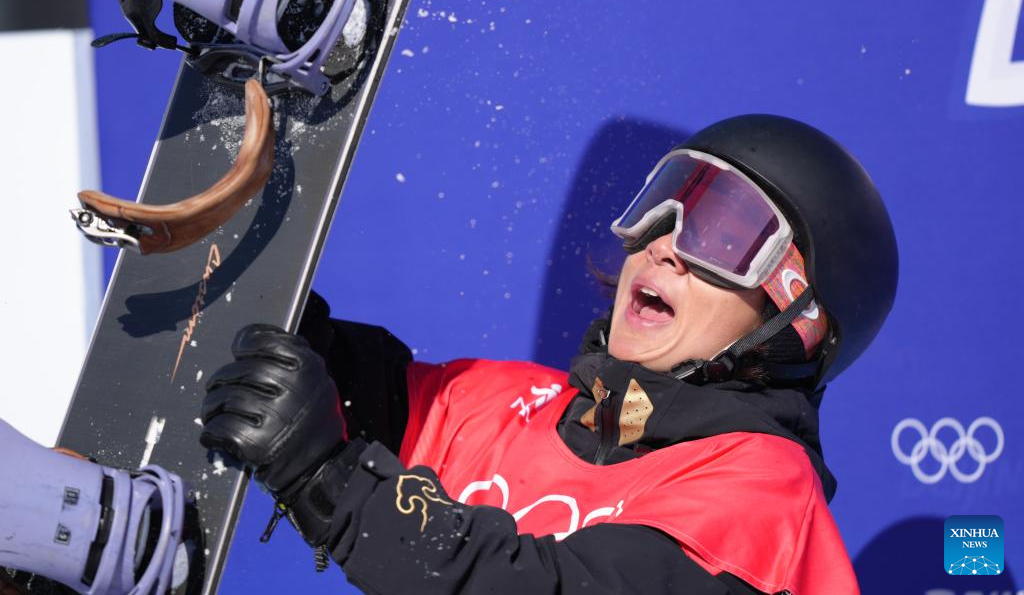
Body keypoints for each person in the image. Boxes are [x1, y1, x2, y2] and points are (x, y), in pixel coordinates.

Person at [199, 114, 898, 594]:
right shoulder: (517, 406)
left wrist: (330, 482)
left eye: (722, 237)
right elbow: (356, 393)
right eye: (663, 205)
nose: (663, 245)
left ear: (795, 324)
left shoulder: (765, 499)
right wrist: (258, 298)